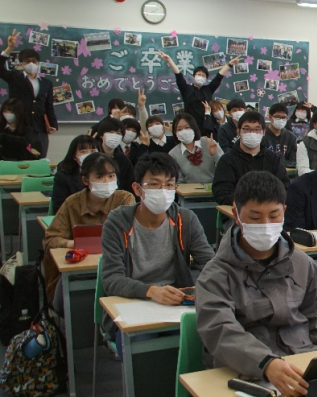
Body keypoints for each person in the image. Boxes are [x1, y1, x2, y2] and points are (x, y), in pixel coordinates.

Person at [196, 171, 317, 397]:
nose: (266, 225)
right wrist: (266, 363)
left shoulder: (302, 263)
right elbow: (221, 331)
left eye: (274, 215)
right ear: (236, 215)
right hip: (243, 373)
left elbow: (316, 320)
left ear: (284, 212)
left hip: (300, 365)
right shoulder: (216, 275)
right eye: (255, 217)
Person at [101, 153, 214, 308]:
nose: (163, 190)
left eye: (169, 185)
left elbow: (209, 263)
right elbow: (111, 279)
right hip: (132, 301)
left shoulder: (186, 219)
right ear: (137, 189)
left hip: (175, 299)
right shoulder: (118, 223)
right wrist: (151, 291)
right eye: (154, 184)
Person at [42, 153, 135, 303]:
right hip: (77, 273)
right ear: (86, 180)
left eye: (111, 176)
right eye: (99, 177)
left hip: (118, 268)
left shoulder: (125, 199)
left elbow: (133, 235)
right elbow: (50, 239)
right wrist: (74, 244)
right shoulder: (72, 203)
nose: (107, 181)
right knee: (66, 300)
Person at [212, 111, 289, 207]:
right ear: (238, 131)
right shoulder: (227, 160)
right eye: (246, 129)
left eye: (257, 129)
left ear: (263, 132)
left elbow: (283, 187)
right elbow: (221, 192)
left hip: (268, 208)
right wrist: (240, 203)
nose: (252, 133)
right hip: (238, 210)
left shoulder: (274, 159)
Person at [0, 31, 57, 157]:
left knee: (39, 157)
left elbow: (49, 105)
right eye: (26, 61)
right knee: (16, 157)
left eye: (34, 61)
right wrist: (9, 48)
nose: (31, 64)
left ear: (38, 63)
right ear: (21, 63)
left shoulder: (46, 83)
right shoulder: (15, 77)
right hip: (19, 126)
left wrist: (53, 123)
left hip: (39, 127)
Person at [160, 50, 234, 133]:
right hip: (191, 127)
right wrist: (169, 60)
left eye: (203, 75)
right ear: (193, 76)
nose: (201, 77)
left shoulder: (208, 89)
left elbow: (219, 77)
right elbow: (178, 75)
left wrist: (229, 64)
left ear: (206, 79)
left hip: (208, 126)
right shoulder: (186, 89)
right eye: (199, 74)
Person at [168, 113, 223, 184]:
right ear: (175, 133)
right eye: (179, 129)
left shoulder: (209, 143)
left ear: (194, 128)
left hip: (214, 187)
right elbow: (179, 181)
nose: (184, 131)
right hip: (189, 190)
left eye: (187, 127)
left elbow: (224, 167)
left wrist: (215, 154)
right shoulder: (173, 154)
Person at [52, 134, 99, 214]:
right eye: (83, 152)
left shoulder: (107, 175)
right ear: (74, 156)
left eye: (93, 151)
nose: (89, 155)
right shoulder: (63, 177)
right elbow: (59, 208)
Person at [98, 117, 136, 194]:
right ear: (101, 135)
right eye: (110, 132)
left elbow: (130, 185)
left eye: (118, 133)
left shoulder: (124, 160)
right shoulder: (94, 157)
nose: (114, 136)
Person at [264, 103, 298, 168]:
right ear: (270, 117)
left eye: (283, 117)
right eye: (277, 117)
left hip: (285, 171)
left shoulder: (291, 137)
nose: (281, 120)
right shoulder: (262, 135)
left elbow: (292, 161)